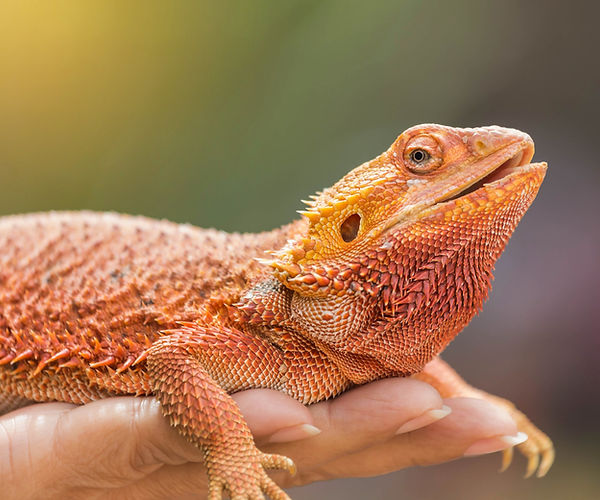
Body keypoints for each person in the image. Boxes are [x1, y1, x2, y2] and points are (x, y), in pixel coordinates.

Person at [0, 377, 524, 498]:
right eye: (421, 159)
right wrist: (228, 448)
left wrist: (458, 390)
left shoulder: (355, 320)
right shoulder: (270, 305)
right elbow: (174, 356)